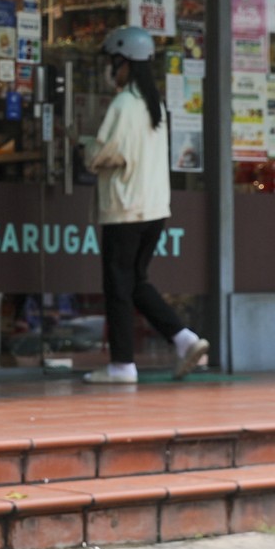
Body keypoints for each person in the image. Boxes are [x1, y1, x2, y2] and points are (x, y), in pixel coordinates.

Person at [82, 25, 210, 385]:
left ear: (124, 63)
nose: (111, 69)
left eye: (113, 61)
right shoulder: (154, 104)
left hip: (126, 208)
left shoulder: (124, 104)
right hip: (153, 209)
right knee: (135, 281)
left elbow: (107, 152)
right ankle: (185, 340)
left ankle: (122, 365)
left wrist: (84, 148)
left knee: (118, 287)